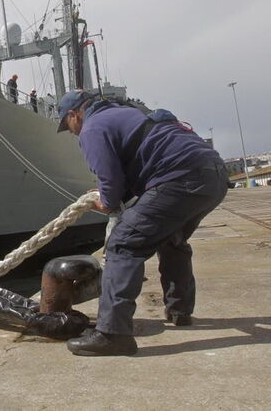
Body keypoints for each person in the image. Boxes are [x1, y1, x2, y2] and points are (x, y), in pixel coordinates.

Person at [55, 90, 227, 356]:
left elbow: (110, 182)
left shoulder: (92, 128)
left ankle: (112, 334)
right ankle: (180, 310)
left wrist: (104, 203)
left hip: (179, 177)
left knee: (123, 244)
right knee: (172, 239)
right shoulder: (126, 114)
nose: (72, 132)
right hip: (212, 174)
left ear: (74, 114)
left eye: (68, 126)